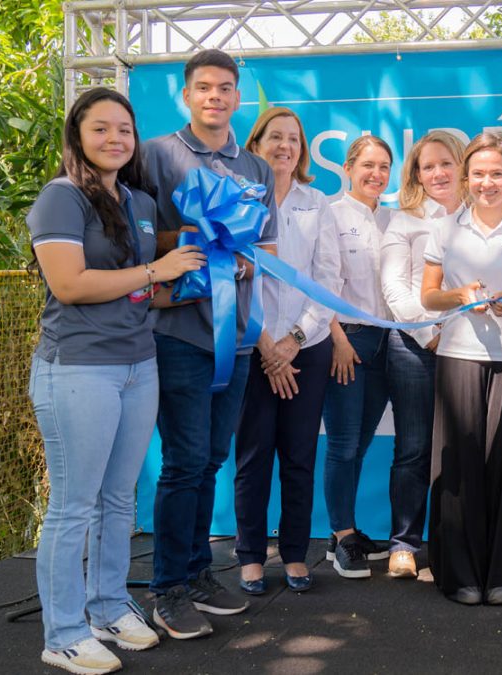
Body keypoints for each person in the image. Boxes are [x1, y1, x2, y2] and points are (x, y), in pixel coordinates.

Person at [28, 87, 205, 674]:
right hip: (78, 367)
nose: (114, 139)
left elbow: (141, 291)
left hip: (138, 363)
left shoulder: (140, 200)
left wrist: (205, 273)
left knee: (117, 499)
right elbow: (71, 285)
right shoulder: (61, 198)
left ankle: (107, 607)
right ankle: (65, 631)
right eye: (101, 128)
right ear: (77, 134)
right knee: (73, 506)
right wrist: (157, 269)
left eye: (124, 130)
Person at [142, 48, 278, 640]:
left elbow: (264, 246)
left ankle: (197, 572)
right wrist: (190, 253)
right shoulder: (155, 155)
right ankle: (167, 587)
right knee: (183, 462)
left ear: (237, 97)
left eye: (225, 88)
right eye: (204, 88)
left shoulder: (255, 167)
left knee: (213, 460)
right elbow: (136, 233)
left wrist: (242, 267)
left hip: (239, 339)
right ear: (186, 95)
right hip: (179, 334)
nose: (215, 97)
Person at [421, 131, 502, 606]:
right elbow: (429, 297)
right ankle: (461, 576)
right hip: (458, 355)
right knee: (460, 465)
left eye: (497, 173)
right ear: (465, 177)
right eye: (478, 173)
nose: (487, 182)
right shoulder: (444, 228)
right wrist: (461, 296)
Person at [233, 107, 340, 595]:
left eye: (294, 139)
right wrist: (265, 344)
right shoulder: (235, 203)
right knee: (253, 457)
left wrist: (292, 342)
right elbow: (227, 277)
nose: (285, 147)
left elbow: (328, 280)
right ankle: (251, 557)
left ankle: (295, 554)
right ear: (255, 144)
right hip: (250, 347)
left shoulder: (318, 203)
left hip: (306, 347)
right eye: (275, 137)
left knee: (299, 456)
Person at [380, 131, 466, 579]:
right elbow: (394, 288)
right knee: (414, 448)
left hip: (470, 351)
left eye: (446, 163)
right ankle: (404, 545)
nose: (437, 173)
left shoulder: (480, 217)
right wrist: (431, 335)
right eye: (427, 166)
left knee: (461, 449)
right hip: (415, 348)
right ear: (416, 174)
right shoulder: (404, 221)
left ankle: (454, 542)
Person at [323, 135, 394, 579]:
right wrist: (337, 339)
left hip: (387, 341)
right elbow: (320, 283)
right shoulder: (329, 216)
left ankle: (345, 530)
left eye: (385, 166)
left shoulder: (392, 218)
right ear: (348, 168)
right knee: (343, 443)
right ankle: (341, 537)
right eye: (368, 165)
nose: (376, 174)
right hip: (346, 341)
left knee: (361, 443)